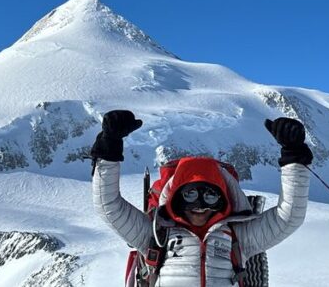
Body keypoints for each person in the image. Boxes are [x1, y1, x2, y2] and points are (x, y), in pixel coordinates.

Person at [91, 110, 313, 286]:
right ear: (176, 198)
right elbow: (108, 204)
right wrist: (108, 148)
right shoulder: (156, 234)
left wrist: (294, 156)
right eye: (189, 195)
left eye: (210, 196)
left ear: (223, 200)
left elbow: (289, 216)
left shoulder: (239, 237)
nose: (199, 205)